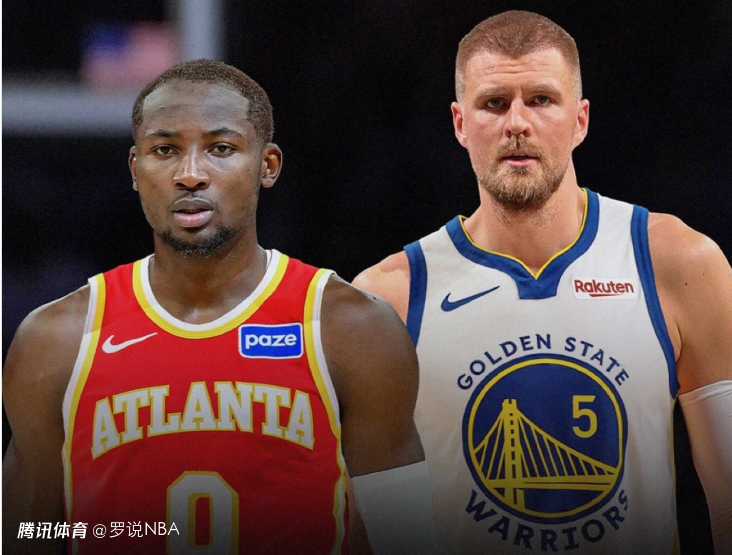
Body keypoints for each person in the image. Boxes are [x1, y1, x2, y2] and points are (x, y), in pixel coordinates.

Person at [3, 59, 437, 555]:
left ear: (267, 166)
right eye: (165, 150)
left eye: (221, 149)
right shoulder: (56, 340)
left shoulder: (353, 330)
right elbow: (27, 535)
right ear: (135, 169)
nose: (190, 175)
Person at [354, 11, 732, 555]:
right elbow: (379, 538)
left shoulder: (676, 264)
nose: (517, 123)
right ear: (460, 123)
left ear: (580, 120)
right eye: (494, 103)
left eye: (541, 100)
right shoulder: (390, 298)